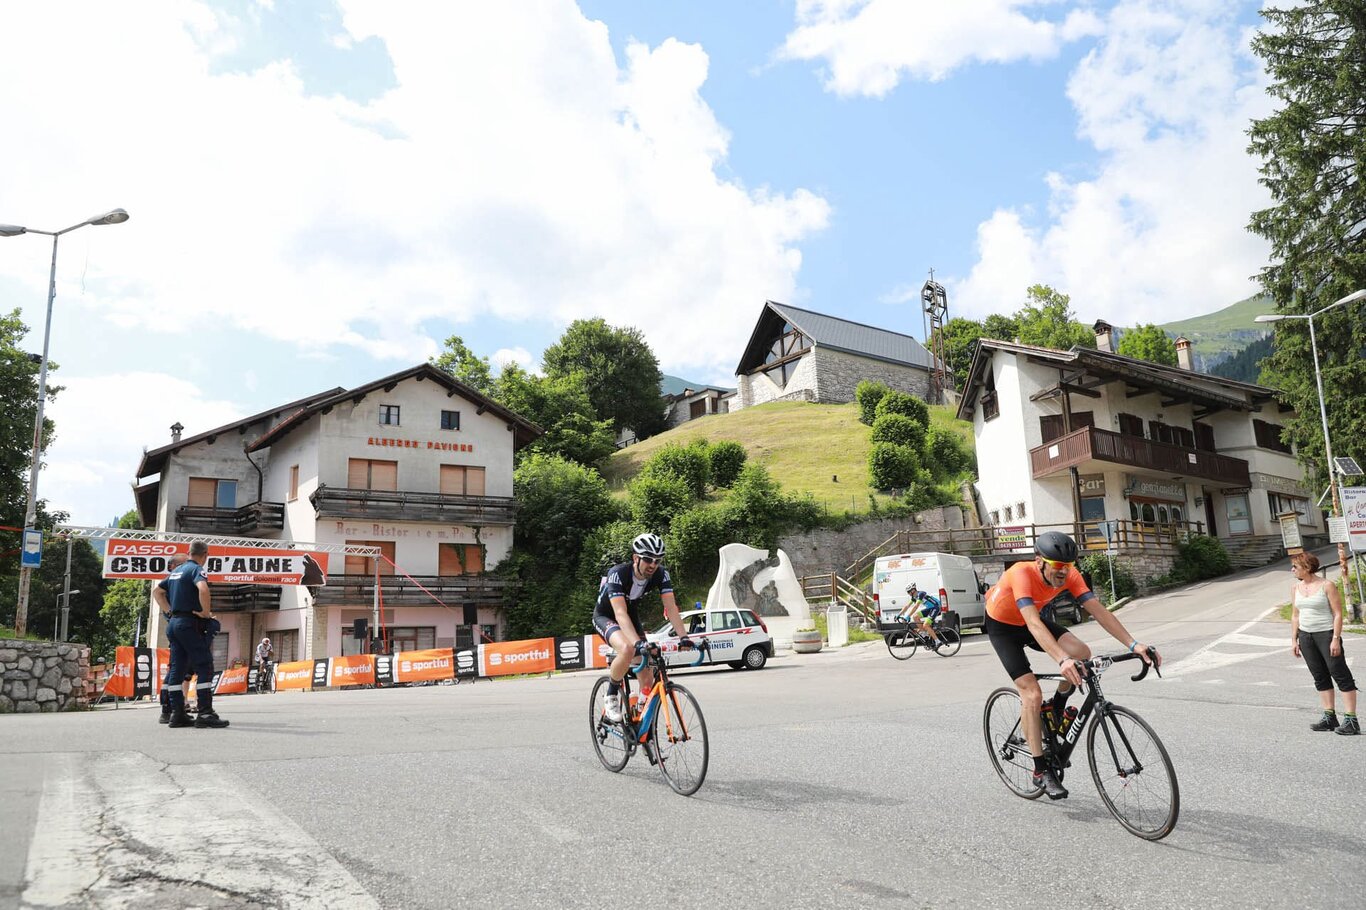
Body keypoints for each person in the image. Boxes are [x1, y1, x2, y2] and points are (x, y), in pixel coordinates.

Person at [984, 531, 1157, 799]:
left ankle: (1057, 706)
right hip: (1004, 627)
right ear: (1039, 561)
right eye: (1057, 566)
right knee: (1032, 693)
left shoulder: (1070, 576)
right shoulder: (1021, 573)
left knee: (1081, 651)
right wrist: (1062, 660)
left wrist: (1134, 645)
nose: (1064, 572)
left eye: (1069, 566)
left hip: (1031, 623)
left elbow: (1098, 611)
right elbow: (1032, 623)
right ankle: (1040, 770)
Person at [592, 533, 691, 723]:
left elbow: (671, 608)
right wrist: (638, 643)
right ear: (635, 558)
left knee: (647, 675)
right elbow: (620, 613)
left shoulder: (661, 574)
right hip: (607, 615)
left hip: (630, 616)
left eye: (657, 560)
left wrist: (684, 637)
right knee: (628, 649)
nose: (653, 565)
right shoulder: (618, 573)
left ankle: (639, 721)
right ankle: (611, 696)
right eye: (648, 559)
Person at [151, 540, 229, 729]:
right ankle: (205, 713)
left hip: (174, 624)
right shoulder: (195, 569)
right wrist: (205, 613)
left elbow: (157, 592)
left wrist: (169, 611)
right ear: (205, 555)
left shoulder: (176, 571)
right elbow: (203, 589)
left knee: (177, 669)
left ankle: (177, 713)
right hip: (189, 624)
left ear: (189, 552)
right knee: (204, 666)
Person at [1289, 551, 1358, 735]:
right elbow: (1295, 616)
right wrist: (1294, 640)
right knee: (1319, 676)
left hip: (1326, 635)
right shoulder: (1295, 588)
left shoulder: (1327, 585)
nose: (1292, 569)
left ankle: (1351, 720)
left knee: (1339, 673)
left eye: (1295, 566)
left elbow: (1337, 614)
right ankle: (1330, 717)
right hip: (1306, 637)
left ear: (1307, 567)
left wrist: (1335, 638)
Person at [156, 552, 189, 724]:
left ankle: (171, 708)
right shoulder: (172, 581)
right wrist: (171, 612)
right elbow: (157, 592)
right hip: (180, 630)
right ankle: (169, 709)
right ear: (173, 566)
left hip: (181, 628)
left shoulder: (178, 580)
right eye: (183, 564)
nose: (187, 566)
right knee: (176, 670)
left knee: (179, 670)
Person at [896, 583, 943, 648]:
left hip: (936, 607)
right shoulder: (914, 597)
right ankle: (924, 633)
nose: (908, 593)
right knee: (915, 616)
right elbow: (906, 606)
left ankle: (938, 641)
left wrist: (907, 616)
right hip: (929, 608)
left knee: (926, 625)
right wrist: (898, 615)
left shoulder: (921, 594)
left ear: (913, 590)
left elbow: (916, 607)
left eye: (908, 592)